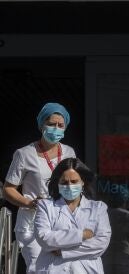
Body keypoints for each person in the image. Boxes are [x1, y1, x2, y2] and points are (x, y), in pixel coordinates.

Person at [3, 102, 77, 274]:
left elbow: (76, 183)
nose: (56, 128)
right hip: (32, 224)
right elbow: (8, 189)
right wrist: (29, 203)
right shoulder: (24, 154)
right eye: (51, 124)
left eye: (60, 125)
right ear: (42, 125)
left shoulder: (69, 153)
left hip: (61, 223)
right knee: (39, 269)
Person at [33, 157, 111, 274]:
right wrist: (81, 234)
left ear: (82, 182)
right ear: (58, 184)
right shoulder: (45, 205)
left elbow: (101, 244)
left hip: (87, 270)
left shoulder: (98, 208)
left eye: (74, 181)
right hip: (53, 268)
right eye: (64, 182)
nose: (69, 186)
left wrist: (63, 252)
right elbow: (44, 239)